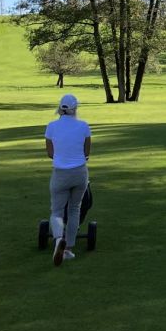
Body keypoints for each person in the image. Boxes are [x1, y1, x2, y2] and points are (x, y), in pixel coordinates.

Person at [44, 93, 91, 266]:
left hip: (60, 173)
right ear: (75, 108)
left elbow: (50, 153)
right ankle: (68, 249)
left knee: (56, 210)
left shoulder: (51, 126)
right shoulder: (84, 126)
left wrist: (62, 157)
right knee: (74, 209)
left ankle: (58, 239)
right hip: (79, 173)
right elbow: (87, 153)